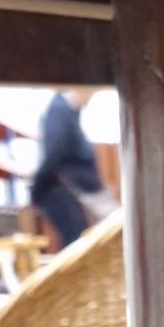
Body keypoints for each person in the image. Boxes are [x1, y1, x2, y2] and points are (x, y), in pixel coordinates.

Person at [31, 89, 112, 248]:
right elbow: (54, 152)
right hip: (68, 190)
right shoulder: (59, 110)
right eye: (89, 93)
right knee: (77, 243)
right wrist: (37, 189)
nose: (89, 98)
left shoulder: (69, 112)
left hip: (75, 188)